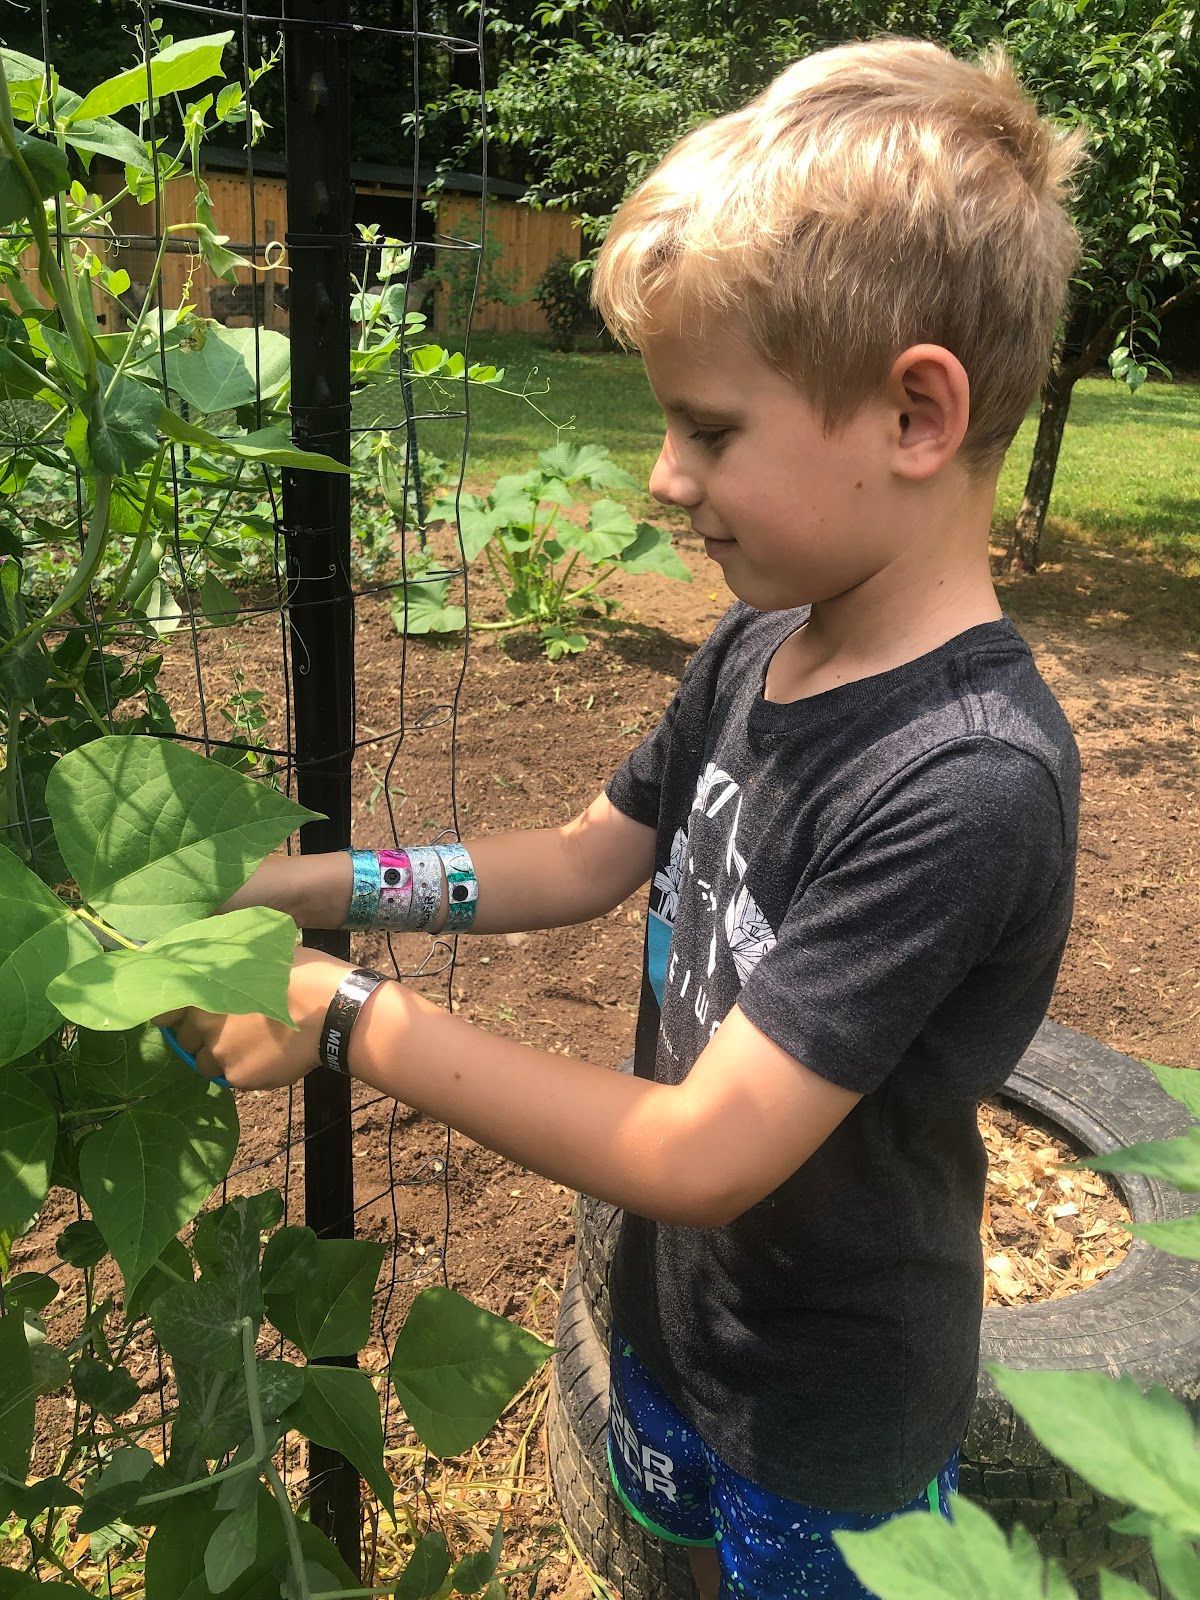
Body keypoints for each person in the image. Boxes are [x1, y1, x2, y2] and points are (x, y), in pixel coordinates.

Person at [161, 37, 1085, 1599]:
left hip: (830, 1418)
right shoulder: (758, 644)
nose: (663, 478)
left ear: (916, 414)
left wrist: (347, 1019)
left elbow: (698, 1147)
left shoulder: (964, 781)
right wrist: (307, 882)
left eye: (710, 429)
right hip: (670, 1322)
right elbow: (587, 859)